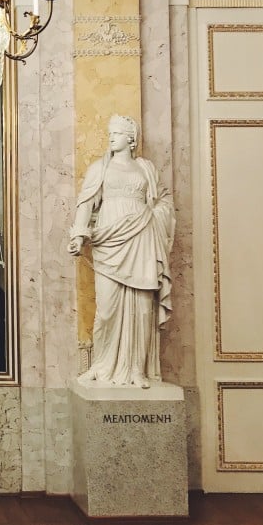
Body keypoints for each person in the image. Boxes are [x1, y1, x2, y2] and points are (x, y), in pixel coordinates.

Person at [68, 114, 175, 389]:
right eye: (110, 134)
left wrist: (153, 217)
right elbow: (86, 203)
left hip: (142, 237)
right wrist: (79, 235)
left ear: (130, 139)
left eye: (116, 134)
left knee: (142, 310)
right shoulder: (100, 168)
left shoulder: (146, 168)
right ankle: (102, 365)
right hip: (109, 240)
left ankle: (137, 369)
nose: (111, 138)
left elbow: (164, 200)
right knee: (106, 309)